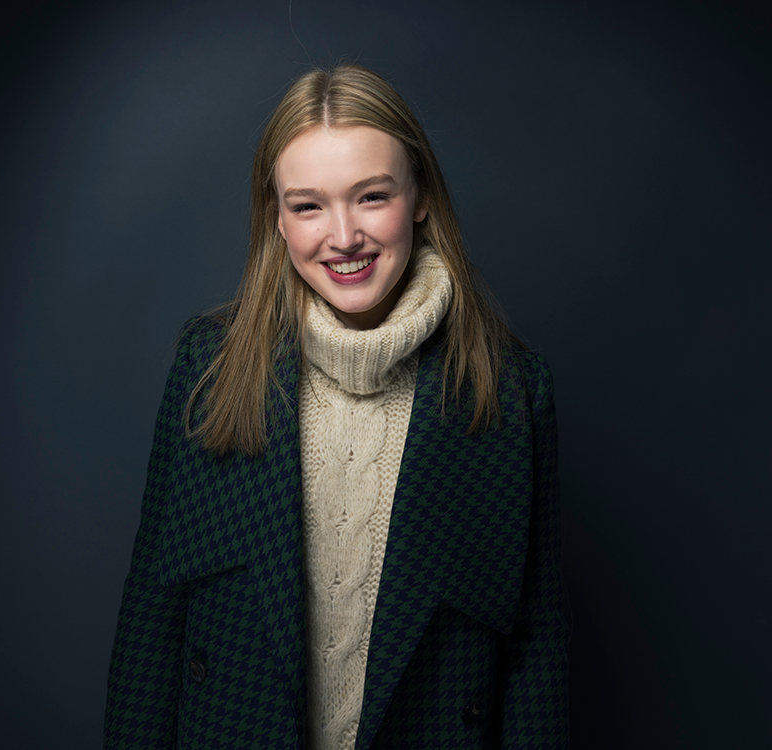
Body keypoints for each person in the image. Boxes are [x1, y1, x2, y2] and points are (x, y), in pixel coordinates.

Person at [104, 64, 568, 749]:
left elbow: (536, 650)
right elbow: (153, 620)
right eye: (308, 204)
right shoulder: (211, 369)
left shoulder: (508, 394)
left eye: (371, 196)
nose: (343, 235)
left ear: (420, 199)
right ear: (277, 218)